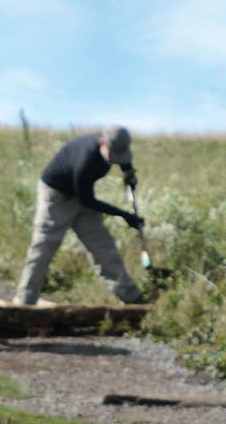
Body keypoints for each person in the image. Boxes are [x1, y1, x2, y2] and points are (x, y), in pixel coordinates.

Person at [13, 125, 145, 306]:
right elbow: (88, 201)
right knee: (44, 245)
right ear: (102, 143)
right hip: (56, 196)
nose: (115, 161)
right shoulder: (84, 160)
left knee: (103, 245)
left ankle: (132, 298)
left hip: (81, 195)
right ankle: (24, 303)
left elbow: (123, 161)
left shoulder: (114, 145)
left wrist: (129, 174)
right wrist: (124, 215)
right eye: (113, 156)